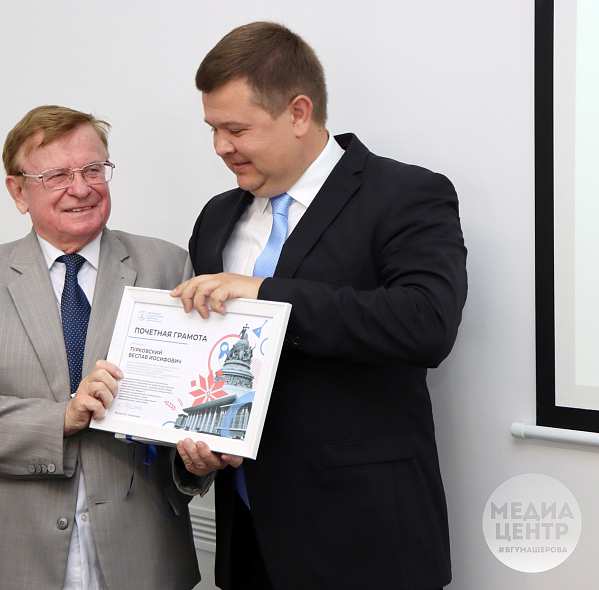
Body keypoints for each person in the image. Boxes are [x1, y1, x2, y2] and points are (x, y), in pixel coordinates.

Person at [172, 22, 467, 590]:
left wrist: (265, 295)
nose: (221, 147)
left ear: (299, 113)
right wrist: (199, 444)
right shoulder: (217, 216)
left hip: (365, 539)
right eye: (213, 130)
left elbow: (426, 323)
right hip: (248, 540)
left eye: (237, 129)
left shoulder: (406, 194)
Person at [0, 105, 205, 590]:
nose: (81, 188)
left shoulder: (169, 266)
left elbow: (186, 404)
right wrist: (61, 418)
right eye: (57, 176)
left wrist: (200, 459)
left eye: (93, 169)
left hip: (140, 551)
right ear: (18, 191)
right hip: (6, 552)